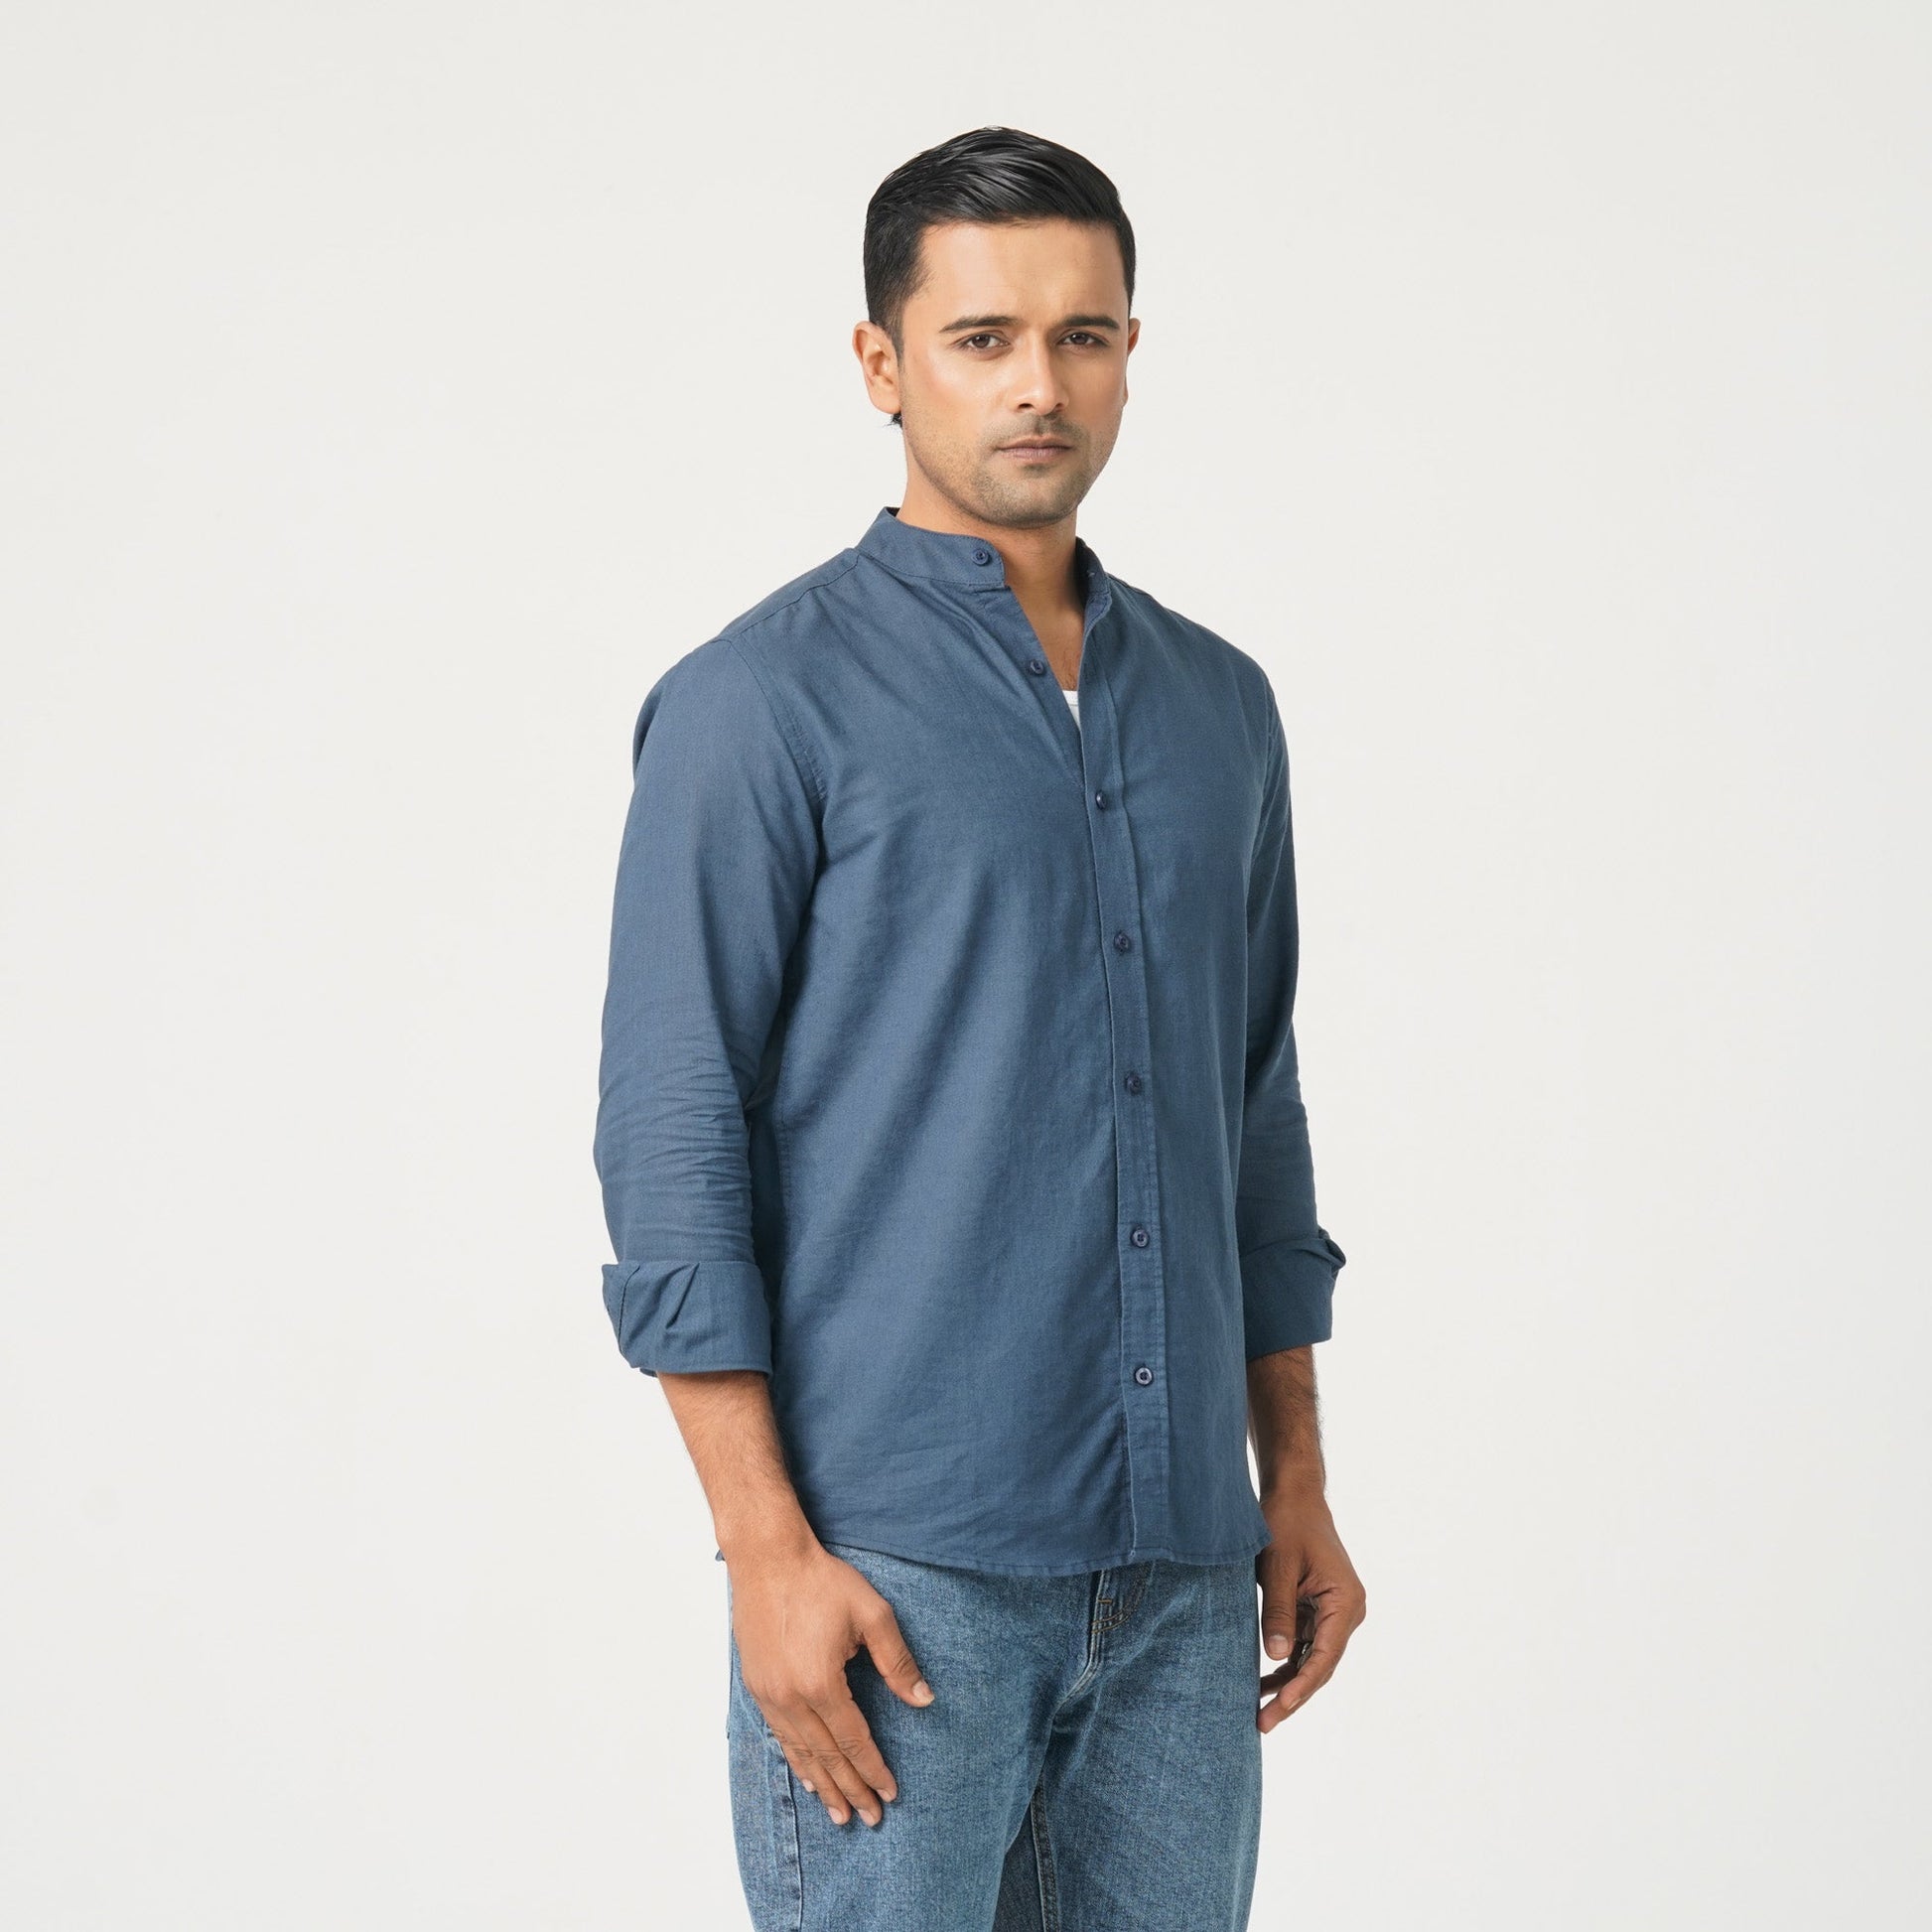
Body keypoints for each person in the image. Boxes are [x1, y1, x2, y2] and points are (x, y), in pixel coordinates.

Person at [593, 124, 1366, 1931]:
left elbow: (1251, 1108)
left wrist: (1296, 1476)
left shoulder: (1220, 707)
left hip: (1182, 1571)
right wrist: (763, 1553)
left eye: (1081, 336)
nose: (1039, 384)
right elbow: (673, 1137)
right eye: (982, 337)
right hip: (896, 1579)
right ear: (883, 364)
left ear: (1129, 354)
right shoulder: (757, 703)